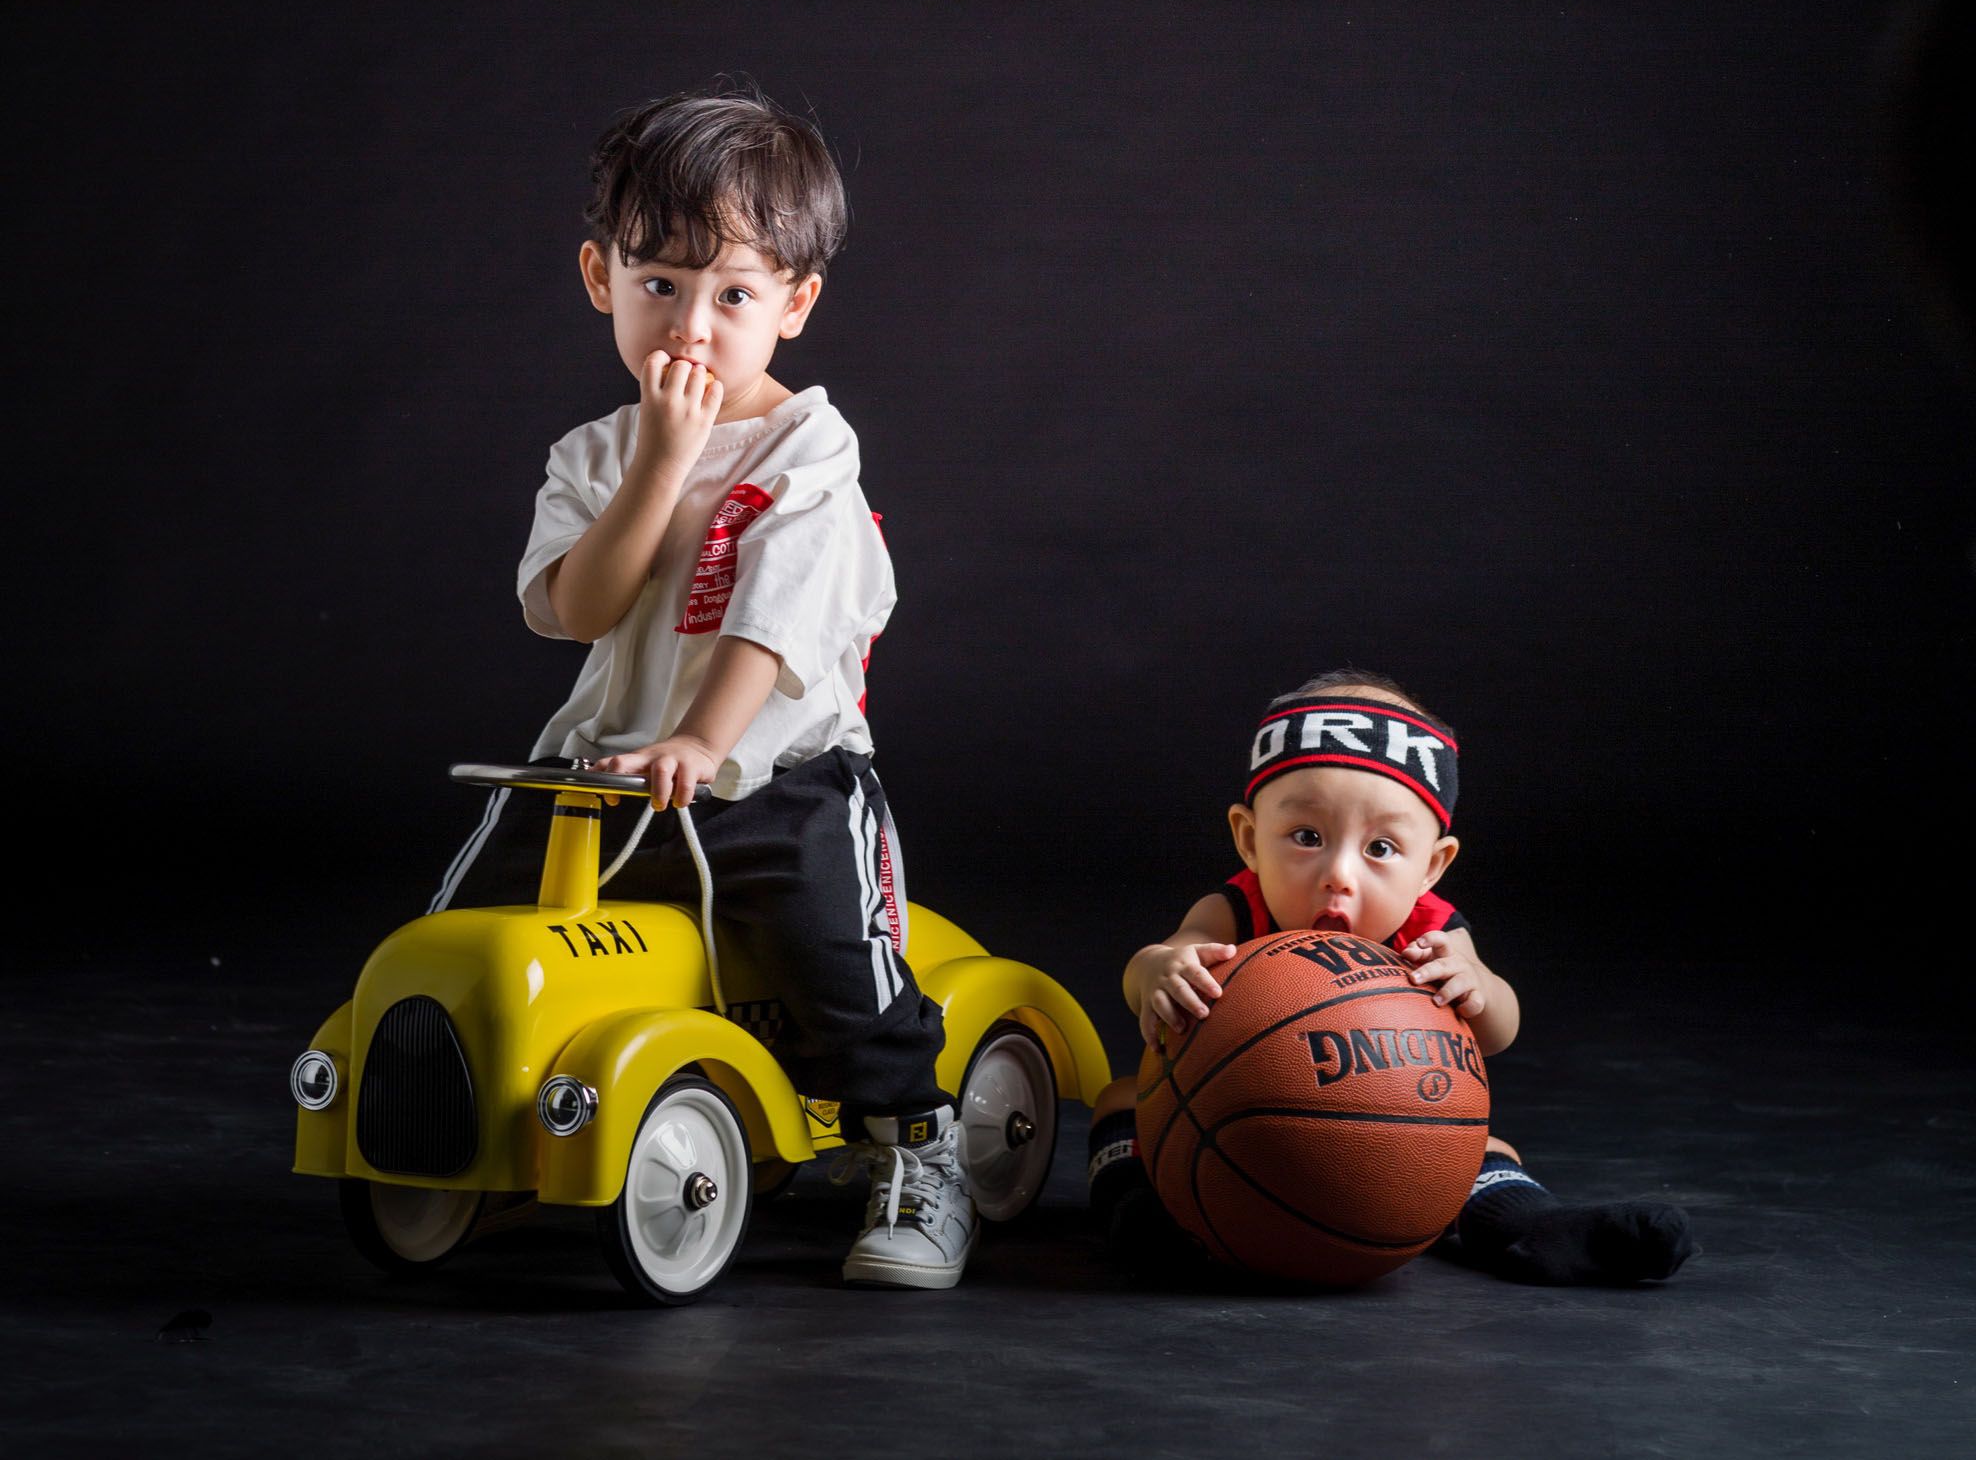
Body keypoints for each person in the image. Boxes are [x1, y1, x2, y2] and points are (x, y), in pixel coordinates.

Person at [430, 85, 976, 1289]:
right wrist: (661, 461)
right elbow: (579, 606)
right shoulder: (592, 455)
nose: (690, 325)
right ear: (600, 278)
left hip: (774, 774)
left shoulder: (809, 451)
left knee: (833, 955)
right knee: (468, 929)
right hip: (603, 768)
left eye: (732, 294)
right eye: (659, 283)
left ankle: (916, 1145)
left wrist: (699, 739)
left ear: (793, 304)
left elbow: (775, 621)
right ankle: (471, 1122)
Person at [1086, 671, 1696, 1286]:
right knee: (1124, 1100)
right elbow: (1155, 966)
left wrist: (1476, 984)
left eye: (1380, 848)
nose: (1339, 874)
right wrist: (1159, 966)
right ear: (1249, 839)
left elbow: (1500, 1028)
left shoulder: (1430, 930)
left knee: (1472, 1146)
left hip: (1389, 1147)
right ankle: (1144, 1213)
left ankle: (1533, 1225)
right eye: (1307, 837)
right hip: (1238, 1135)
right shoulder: (1235, 912)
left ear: (1432, 866)